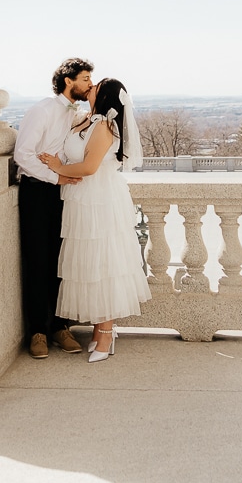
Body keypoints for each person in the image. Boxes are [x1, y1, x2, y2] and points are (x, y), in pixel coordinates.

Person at [39, 76, 151, 362]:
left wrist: (57, 167)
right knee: (88, 262)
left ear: (104, 97)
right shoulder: (86, 119)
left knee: (103, 262)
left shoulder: (104, 127)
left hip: (98, 199)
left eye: (96, 87)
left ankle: (106, 333)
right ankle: (100, 328)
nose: (90, 87)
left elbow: (89, 167)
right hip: (80, 199)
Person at [13, 56, 94, 359]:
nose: (89, 84)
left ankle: (60, 327)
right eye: (85, 79)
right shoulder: (43, 110)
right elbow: (24, 154)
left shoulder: (77, 113)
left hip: (62, 192)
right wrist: (55, 176)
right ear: (68, 81)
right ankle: (37, 332)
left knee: (61, 262)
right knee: (37, 261)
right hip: (37, 192)